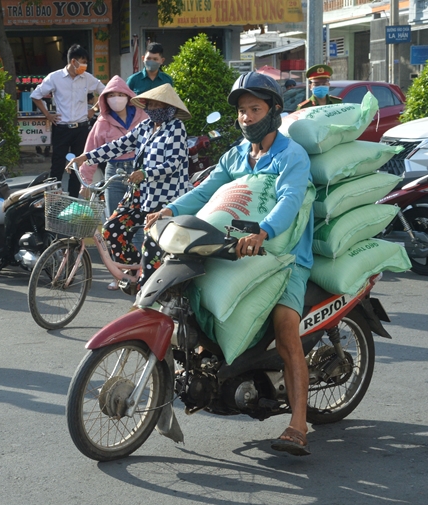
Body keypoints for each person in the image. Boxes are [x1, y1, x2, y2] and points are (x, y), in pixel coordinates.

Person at [146, 73, 314, 456]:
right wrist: (170, 209)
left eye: (254, 109)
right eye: (241, 111)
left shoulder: (291, 156)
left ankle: (298, 424)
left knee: (286, 327)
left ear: (273, 111)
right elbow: (207, 190)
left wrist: (265, 231)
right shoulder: (236, 154)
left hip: (284, 254)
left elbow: (289, 199)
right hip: (234, 248)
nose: (246, 118)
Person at [68, 83, 191, 292]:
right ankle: (134, 272)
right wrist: (87, 157)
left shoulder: (176, 128)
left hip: (163, 197)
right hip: (138, 193)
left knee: (151, 243)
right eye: (149, 104)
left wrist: (146, 173)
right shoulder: (145, 126)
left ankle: (151, 289)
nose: (151, 107)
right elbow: (118, 145)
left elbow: (175, 162)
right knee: (111, 229)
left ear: (168, 107)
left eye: (155, 104)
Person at [79, 75, 148, 290]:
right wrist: (85, 180)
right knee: (113, 224)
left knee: (137, 225)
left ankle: (138, 271)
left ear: (129, 97)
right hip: (114, 174)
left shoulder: (143, 117)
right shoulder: (101, 123)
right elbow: (91, 152)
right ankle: (119, 273)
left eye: (120, 95)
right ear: (105, 100)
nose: (117, 99)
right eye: (112, 96)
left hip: (138, 174)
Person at [31, 44, 105, 198]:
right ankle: (53, 200)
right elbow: (36, 95)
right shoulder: (55, 77)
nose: (85, 65)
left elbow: (105, 91)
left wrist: (94, 109)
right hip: (62, 128)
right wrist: (48, 115)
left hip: (81, 129)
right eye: (82, 61)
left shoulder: (87, 78)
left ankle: (73, 199)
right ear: (73, 61)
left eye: (86, 62)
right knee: (57, 166)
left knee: (78, 166)